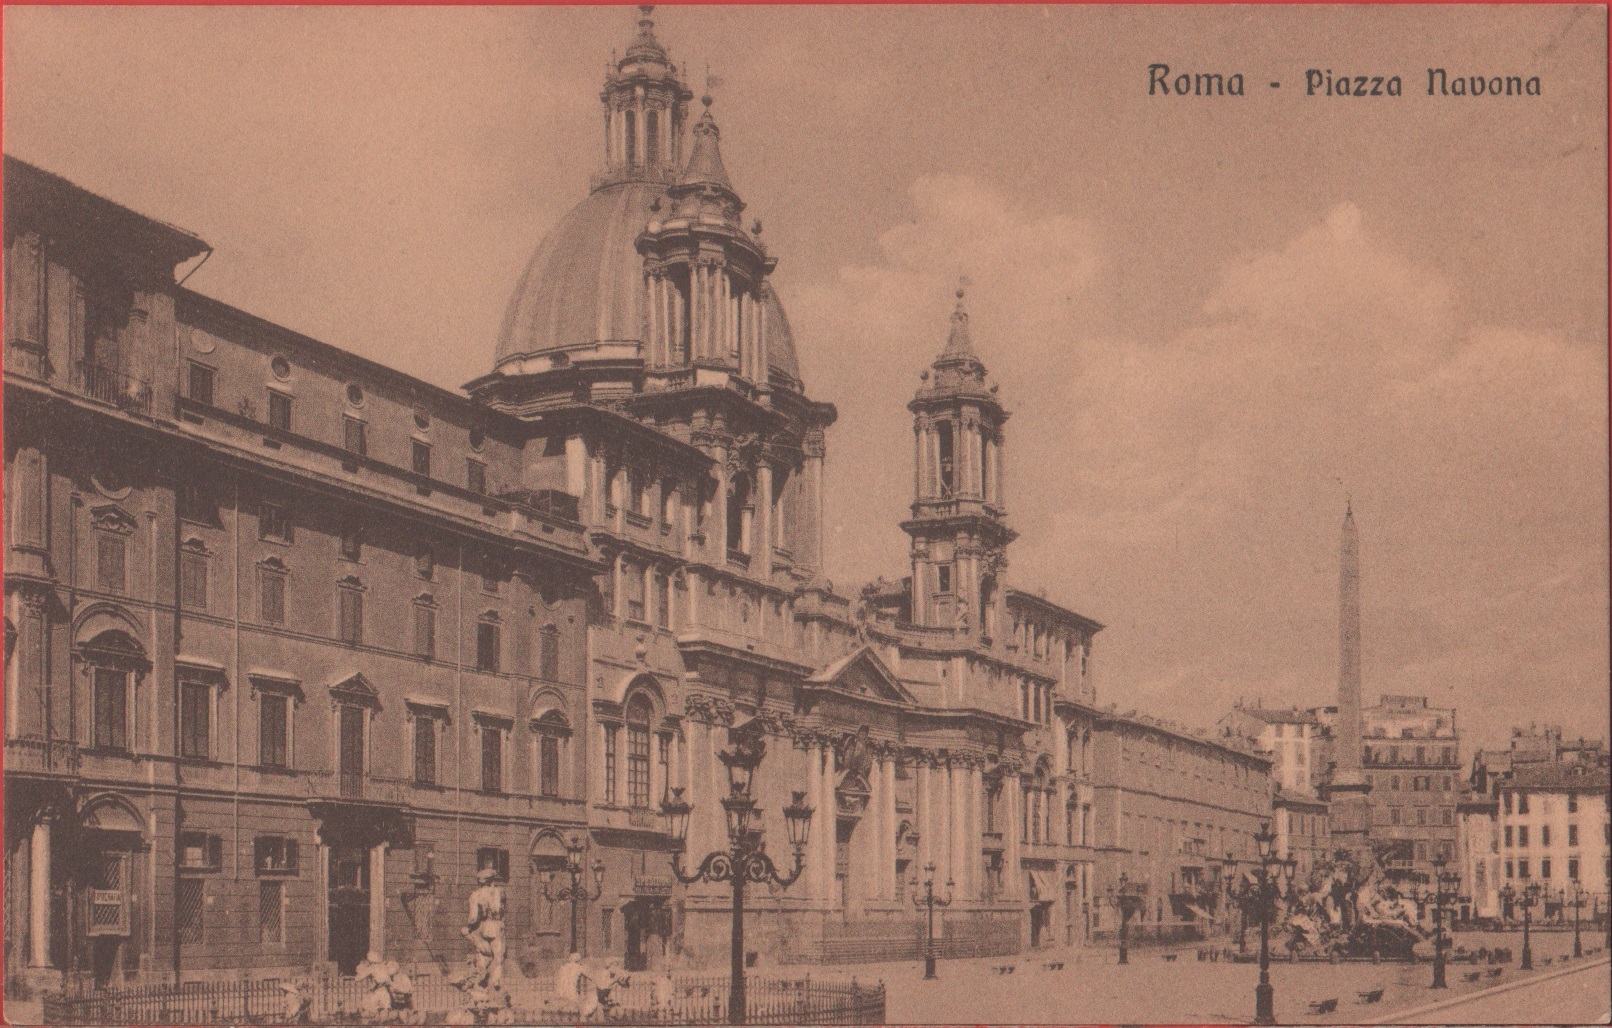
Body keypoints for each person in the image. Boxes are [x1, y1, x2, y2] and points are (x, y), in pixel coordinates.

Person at [463, 867, 507, 988]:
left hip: (483, 927)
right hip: (497, 926)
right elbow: (502, 910)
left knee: (482, 954)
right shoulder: (500, 892)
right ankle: (496, 980)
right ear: (492, 880)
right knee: (498, 957)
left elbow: (473, 917)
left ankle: (482, 976)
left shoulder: (475, 895)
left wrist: (468, 928)